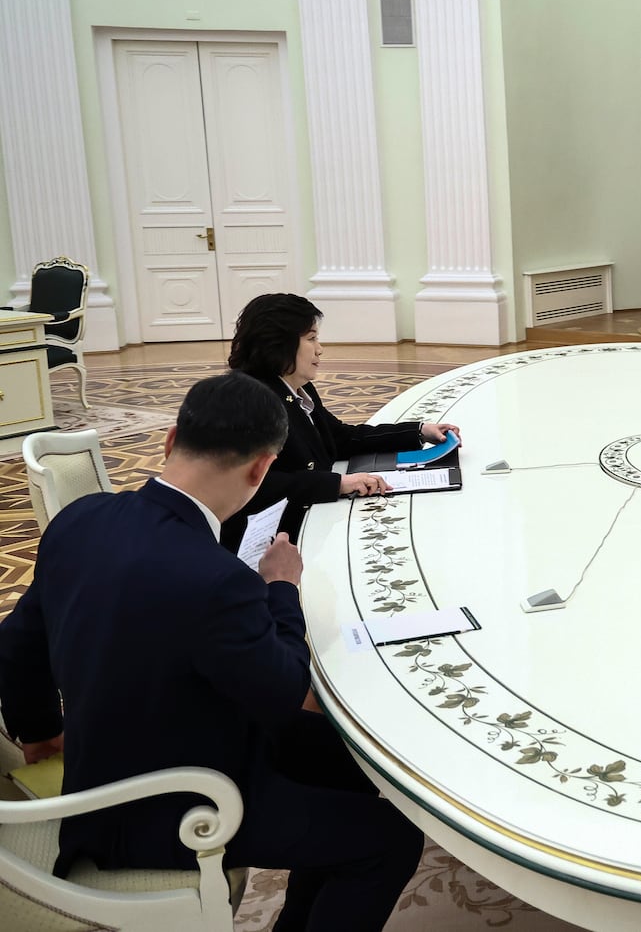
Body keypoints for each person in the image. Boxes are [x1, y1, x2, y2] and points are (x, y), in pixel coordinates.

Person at [0, 374, 424, 931]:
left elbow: (15, 646)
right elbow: (284, 692)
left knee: (338, 759)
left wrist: (38, 734)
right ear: (260, 468)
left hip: (104, 754)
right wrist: (280, 589)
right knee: (389, 840)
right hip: (168, 807)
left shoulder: (81, 518)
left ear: (171, 438)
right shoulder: (220, 579)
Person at [220, 293, 459, 552]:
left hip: (307, 520)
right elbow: (254, 485)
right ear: (278, 343)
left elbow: (341, 437)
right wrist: (339, 484)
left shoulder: (297, 388)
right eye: (311, 338)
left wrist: (419, 431)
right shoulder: (251, 401)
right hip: (265, 544)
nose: (320, 348)